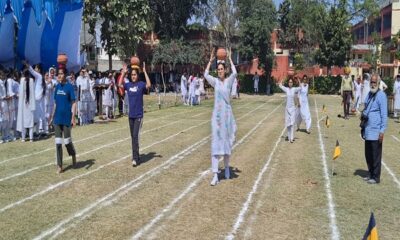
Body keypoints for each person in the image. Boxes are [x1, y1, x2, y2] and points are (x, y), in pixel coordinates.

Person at [204, 48, 237, 186]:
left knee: (227, 144)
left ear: (225, 70)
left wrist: (229, 58)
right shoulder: (215, 82)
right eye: (218, 69)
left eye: (221, 69)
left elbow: (235, 73)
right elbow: (205, 74)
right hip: (217, 119)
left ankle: (227, 168)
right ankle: (216, 175)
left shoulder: (229, 81)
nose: (219, 71)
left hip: (227, 117)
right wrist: (210, 61)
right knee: (216, 145)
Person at [118, 62, 151, 167]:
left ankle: (135, 158)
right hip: (131, 115)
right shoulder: (128, 85)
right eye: (132, 75)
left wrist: (145, 72)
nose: (133, 76)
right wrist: (123, 73)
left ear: (138, 75)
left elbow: (149, 85)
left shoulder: (140, 85)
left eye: (135, 74)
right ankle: (137, 155)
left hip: (138, 116)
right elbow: (119, 84)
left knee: (135, 136)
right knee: (133, 137)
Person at [49, 67, 77, 173]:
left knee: (67, 141)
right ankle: (59, 165)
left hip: (66, 118)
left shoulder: (69, 87)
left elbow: (74, 103)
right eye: (58, 74)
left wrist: (73, 117)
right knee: (58, 142)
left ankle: (73, 154)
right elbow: (55, 103)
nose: (59, 76)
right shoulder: (57, 87)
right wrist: (52, 116)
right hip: (57, 118)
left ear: (65, 75)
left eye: (61, 74)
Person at [362, 74, 387, 184]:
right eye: (371, 82)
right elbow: (365, 107)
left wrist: (382, 131)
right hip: (367, 130)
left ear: (378, 83)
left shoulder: (381, 95)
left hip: (376, 131)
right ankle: (370, 173)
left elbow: (384, 115)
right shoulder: (369, 94)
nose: (372, 84)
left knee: (376, 155)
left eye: (374, 82)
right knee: (368, 154)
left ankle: (376, 177)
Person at [279, 77, 300, 143]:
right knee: (288, 124)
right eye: (289, 82)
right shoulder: (286, 89)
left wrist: (299, 81)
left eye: (291, 82)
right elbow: (280, 86)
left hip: (293, 108)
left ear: (292, 83)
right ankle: (289, 137)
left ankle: (291, 138)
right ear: (288, 83)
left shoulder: (294, 89)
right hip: (287, 109)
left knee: (292, 123)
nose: (290, 83)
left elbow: (300, 87)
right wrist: (282, 80)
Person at [16, 69, 36, 142]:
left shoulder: (22, 80)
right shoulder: (31, 80)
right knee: (30, 121)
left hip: (24, 103)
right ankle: (31, 138)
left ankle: (23, 138)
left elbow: (21, 93)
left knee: (23, 121)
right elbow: (33, 93)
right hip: (30, 103)